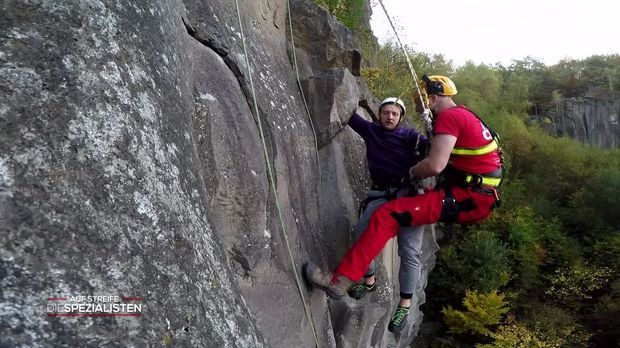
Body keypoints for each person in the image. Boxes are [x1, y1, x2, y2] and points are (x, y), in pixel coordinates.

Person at [304, 75, 504, 333]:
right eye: (385, 112)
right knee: (374, 223)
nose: (390, 116)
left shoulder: (439, 123)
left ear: (431, 99)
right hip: (469, 193)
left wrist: (412, 172)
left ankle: (357, 288)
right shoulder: (462, 115)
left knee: (396, 231)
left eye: (422, 104)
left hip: (465, 196)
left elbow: (434, 163)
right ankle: (359, 280)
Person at [343, 97, 430, 332]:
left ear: (400, 117)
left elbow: (434, 147)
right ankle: (370, 281)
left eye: (394, 113)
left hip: (410, 196)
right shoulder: (371, 131)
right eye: (386, 113)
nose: (390, 117)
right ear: (379, 115)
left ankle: (404, 305)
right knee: (359, 240)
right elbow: (347, 114)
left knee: (409, 251)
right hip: (381, 195)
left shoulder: (412, 137)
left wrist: (431, 121)